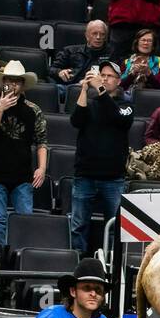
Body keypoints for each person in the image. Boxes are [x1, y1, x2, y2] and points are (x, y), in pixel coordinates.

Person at [0, 60, 49, 264]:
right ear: (3, 83)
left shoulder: (33, 110)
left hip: (22, 174)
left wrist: (42, 168)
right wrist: (1, 108)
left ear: (22, 84)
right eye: (9, 81)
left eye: (17, 82)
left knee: (24, 221)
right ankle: (1, 263)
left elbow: (42, 141)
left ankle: (20, 263)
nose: (13, 85)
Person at [70, 60, 133, 253]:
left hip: (113, 178)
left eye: (109, 76)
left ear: (119, 81)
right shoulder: (91, 103)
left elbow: (119, 118)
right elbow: (76, 121)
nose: (104, 79)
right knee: (78, 225)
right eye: (102, 75)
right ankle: (77, 264)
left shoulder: (126, 105)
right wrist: (83, 89)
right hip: (85, 174)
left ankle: (111, 268)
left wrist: (101, 90)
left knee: (114, 227)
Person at [51, 19, 110, 86]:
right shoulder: (70, 51)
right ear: (87, 35)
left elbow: (115, 77)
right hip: (70, 87)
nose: (98, 37)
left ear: (105, 37)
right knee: (57, 88)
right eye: (94, 33)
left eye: (102, 34)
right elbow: (51, 69)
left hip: (98, 89)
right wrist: (59, 72)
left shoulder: (112, 54)